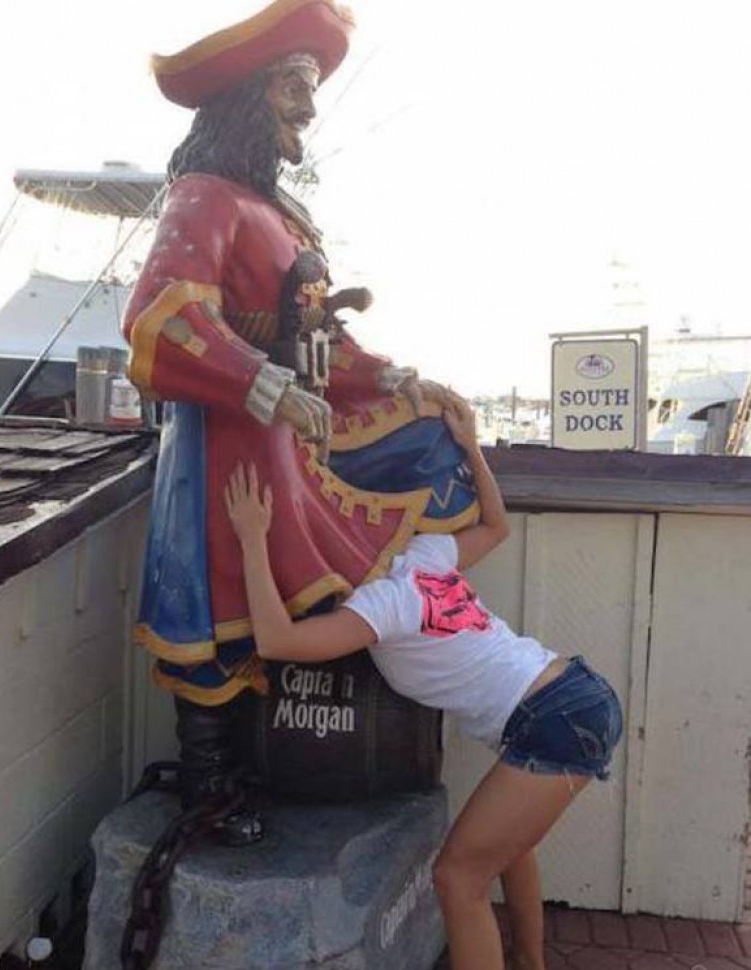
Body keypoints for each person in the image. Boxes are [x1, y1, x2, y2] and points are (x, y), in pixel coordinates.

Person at [122, 0, 478, 806]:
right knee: (218, 600)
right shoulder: (204, 196)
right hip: (229, 444)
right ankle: (211, 779)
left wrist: (387, 378)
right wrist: (260, 382)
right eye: (293, 87)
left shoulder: (282, 215)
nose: (309, 110)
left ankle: (279, 744)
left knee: (430, 438)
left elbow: (315, 334)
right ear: (247, 96)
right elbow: (159, 317)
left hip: (297, 434)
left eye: (309, 89)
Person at [223, 392, 624, 970]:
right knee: (507, 849)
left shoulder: (385, 602)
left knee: (457, 878)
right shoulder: (424, 555)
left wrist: (252, 539)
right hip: (573, 690)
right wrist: (471, 447)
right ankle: (530, 962)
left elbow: (277, 641)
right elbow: (496, 527)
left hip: (550, 718)